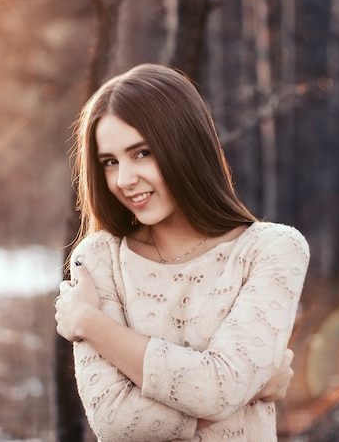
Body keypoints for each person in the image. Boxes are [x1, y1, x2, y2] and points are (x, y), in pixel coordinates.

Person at [54, 63, 309, 441]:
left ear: (185, 145)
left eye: (141, 153)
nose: (124, 180)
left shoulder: (272, 250)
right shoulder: (99, 260)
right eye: (110, 162)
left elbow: (219, 388)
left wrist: (92, 324)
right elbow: (116, 423)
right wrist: (248, 389)